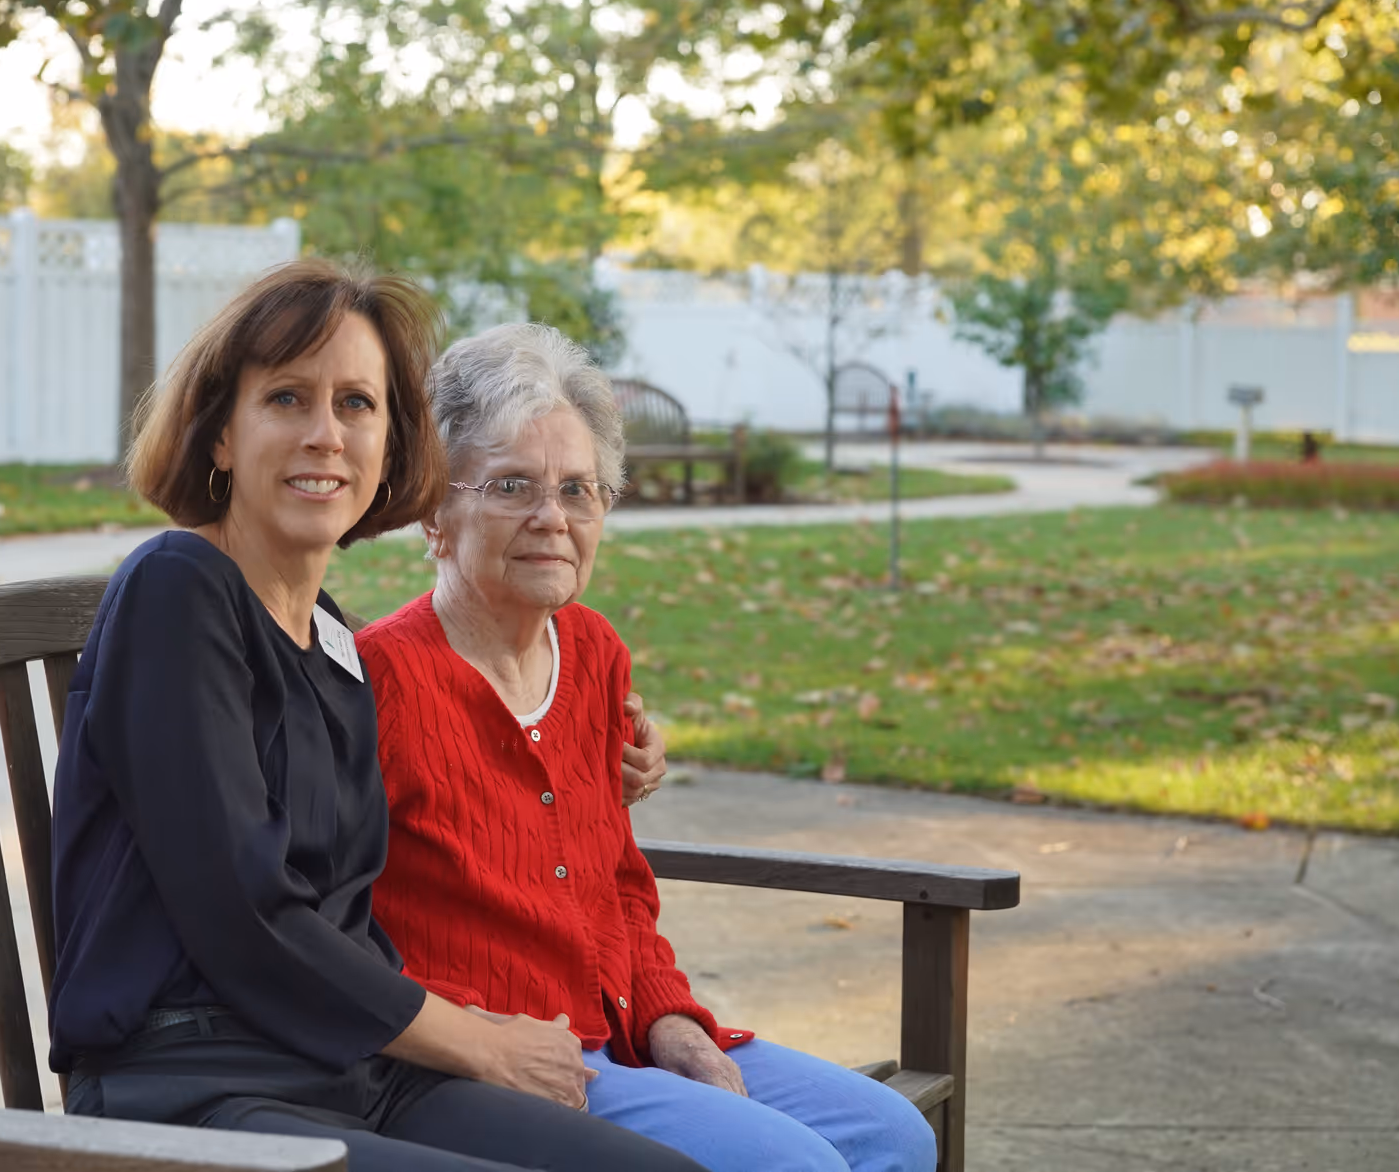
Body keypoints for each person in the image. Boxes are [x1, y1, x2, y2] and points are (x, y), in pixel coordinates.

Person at [47, 260, 707, 1172]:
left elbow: (363, 900)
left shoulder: (333, 645)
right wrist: (479, 1040)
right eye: (287, 398)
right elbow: (244, 910)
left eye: (357, 404)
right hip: (196, 1083)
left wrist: (595, 754)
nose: (326, 435)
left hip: (350, 1068)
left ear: (393, 446)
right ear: (222, 434)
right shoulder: (179, 588)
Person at [357, 323, 938, 1172]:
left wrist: (672, 1019)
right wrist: (472, 1033)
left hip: (625, 1025)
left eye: (578, 490)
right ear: (436, 513)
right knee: (792, 1165)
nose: (551, 518)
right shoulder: (381, 678)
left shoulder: (592, 654)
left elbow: (618, 881)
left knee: (893, 1135)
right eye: (513, 485)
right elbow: (335, 920)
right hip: (500, 1064)